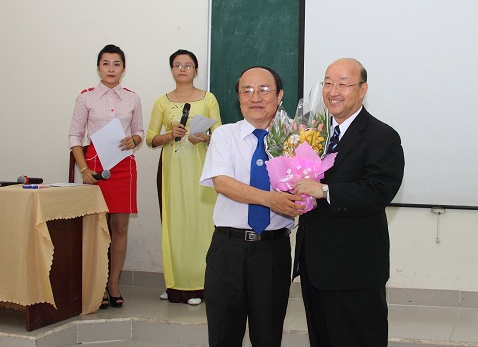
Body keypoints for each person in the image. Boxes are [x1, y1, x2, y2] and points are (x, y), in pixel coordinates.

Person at [293, 58, 405, 347]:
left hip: (354, 268)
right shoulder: (313, 134)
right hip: (314, 263)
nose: (333, 92)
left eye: (343, 84)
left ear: (362, 89)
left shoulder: (382, 136)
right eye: (328, 83)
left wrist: (324, 191)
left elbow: (379, 191)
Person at [200, 66, 305, 347]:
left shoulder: (297, 139)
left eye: (264, 90)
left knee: (268, 336)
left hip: (272, 252)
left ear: (279, 96)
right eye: (246, 91)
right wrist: (270, 199)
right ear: (238, 98)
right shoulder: (224, 135)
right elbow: (223, 183)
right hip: (228, 250)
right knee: (223, 335)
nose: (255, 97)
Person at [69, 44, 144, 309]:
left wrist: (135, 139)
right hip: (95, 168)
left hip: (124, 166)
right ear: (98, 67)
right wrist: (83, 169)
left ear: (123, 68)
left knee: (120, 227)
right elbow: (75, 136)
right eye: (106, 63)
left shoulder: (132, 98)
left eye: (116, 64)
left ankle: (113, 284)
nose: (111, 69)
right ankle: (98, 283)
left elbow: (139, 131)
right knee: (97, 228)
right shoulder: (86, 98)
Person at [146, 49, 222, 305]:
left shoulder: (208, 99)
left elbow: (220, 135)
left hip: (200, 170)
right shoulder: (162, 102)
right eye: (177, 65)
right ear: (171, 70)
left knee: (202, 224)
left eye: (188, 65)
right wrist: (170, 135)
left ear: (195, 70)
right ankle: (175, 284)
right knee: (174, 224)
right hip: (171, 170)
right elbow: (150, 139)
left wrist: (204, 137)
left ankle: (202, 284)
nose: (182, 69)